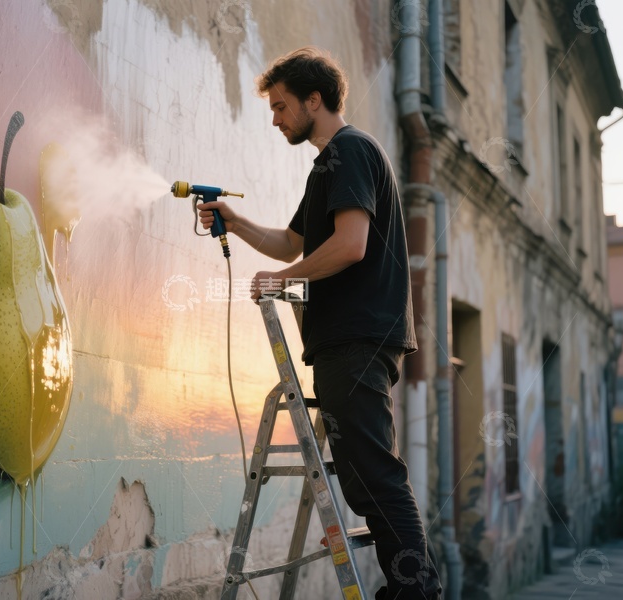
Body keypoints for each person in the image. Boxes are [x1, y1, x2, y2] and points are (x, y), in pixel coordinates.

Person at [197, 47, 442, 599]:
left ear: (315, 99)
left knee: (375, 475)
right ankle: (413, 589)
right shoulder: (329, 165)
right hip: (348, 343)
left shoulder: (349, 151)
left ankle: (417, 592)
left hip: (355, 341)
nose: (276, 118)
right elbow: (295, 243)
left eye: (282, 106)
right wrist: (236, 224)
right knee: (363, 475)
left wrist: (282, 279)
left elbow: (350, 246)